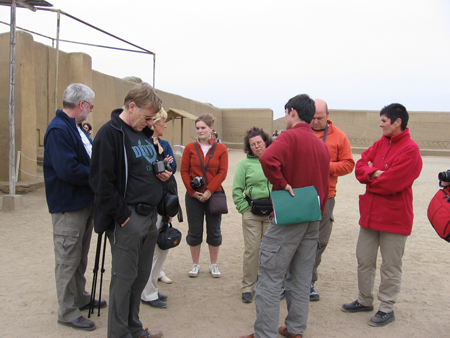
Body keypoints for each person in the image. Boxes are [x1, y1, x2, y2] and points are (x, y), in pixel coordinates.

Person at [239, 94, 330, 338]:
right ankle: (295, 329)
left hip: (289, 216)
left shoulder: (290, 136)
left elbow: (268, 158)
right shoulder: (320, 144)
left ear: (291, 111)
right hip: (312, 218)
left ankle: (264, 333)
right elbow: (323, 184)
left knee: (269, 276)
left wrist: (282, 183)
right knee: (300, 278)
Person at [90, 83, 169, 338]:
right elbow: (101, 183)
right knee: (124, 280)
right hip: (129, 219)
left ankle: (134, 328)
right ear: (131, 106)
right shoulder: (110, 133)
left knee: (139, 278)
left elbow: (145, 166)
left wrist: (162, 172)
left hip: (150, 217)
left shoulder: (143, 133)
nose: (150, 122)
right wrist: (123, 216)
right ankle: (119, 333)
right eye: (147, 116)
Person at [342, 103, 423, 327]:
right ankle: (364, 299)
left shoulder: (410, 149)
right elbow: (359, 167)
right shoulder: (379, 144)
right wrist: (374, 173)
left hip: (394, 218)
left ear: (398, 122)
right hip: (370, 215)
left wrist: (372, 176)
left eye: (384, 121)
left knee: (391, 265)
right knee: (364, 259)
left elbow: (393, 182)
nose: (381, 124)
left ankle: (387, 307)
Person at [43, 83, 104, 331]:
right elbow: (67, 169)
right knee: (68, 259)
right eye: (90, 106)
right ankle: (67, 312)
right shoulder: (59, 130)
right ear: (81, 105)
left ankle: (79, 297)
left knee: (80, 256)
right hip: (69, 206)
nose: (90, 110)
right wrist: (97, 175)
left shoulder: (75, 129)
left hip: (83, 203)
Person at [309, 99, 355, 301]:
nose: (316, 121)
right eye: (312, 117)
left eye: (320, 117)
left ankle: (309, 281)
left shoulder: (339, 137)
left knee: (320, 241)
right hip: (300, 195)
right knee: (296, 239)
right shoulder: (301, 132)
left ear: (328, 115)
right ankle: (289, 280)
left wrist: (325, 166)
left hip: (326, 197)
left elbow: (348, 165)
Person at [180, 114, 228, 278]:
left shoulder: (221, 149)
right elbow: (184, 171)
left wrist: (209, 191)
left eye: (203, 128)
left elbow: (222, 173)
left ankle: (213, 264)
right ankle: (195, 263)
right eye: (198, 128)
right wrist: (193, 192)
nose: (200, 131)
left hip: (214, 195)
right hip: (194, 196)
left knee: (214, 230)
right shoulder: (189, 148)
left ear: (211, 129)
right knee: (194, 230)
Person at [232, 127, 273, 304]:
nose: (257, 146)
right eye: (253, 144)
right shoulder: (244, 165)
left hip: (272, 212)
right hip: (252, 213)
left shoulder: (275, 159)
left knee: (270, 251)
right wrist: (244, 209)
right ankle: (248, 286)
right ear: (249, 147)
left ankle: (266, 286)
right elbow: (237, 190)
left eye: (259, 142)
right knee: (253, 250)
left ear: (265, 142)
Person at [141, 108, 177, 308]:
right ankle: (147, 292)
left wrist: (165, 165)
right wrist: (164, 165)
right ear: (154, 123)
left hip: (165, 202)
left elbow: (172, 168)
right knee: (152, 250)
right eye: (163, 122)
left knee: (162, 246)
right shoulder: (145, 144)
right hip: (153, 202)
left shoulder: (163, 145)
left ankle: (152, 288)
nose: (165, 125)